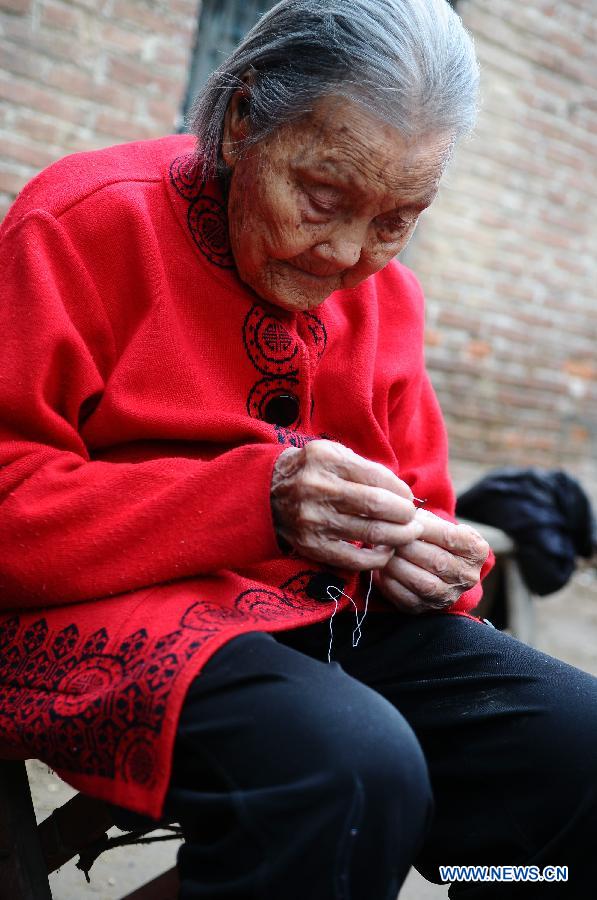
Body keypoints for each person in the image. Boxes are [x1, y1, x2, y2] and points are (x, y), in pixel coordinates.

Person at [0, 0, 595, 896]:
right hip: (94, 613)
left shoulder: (387, 299)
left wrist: (433, 561)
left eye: (398, 219)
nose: (349, 253)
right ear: (242, 121)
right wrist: (258, 500)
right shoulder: (86, 222)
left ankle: (495, 877)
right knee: (349, 768)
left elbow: (429, 511)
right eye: (322, 198)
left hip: (324, 621)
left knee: (576, 746)